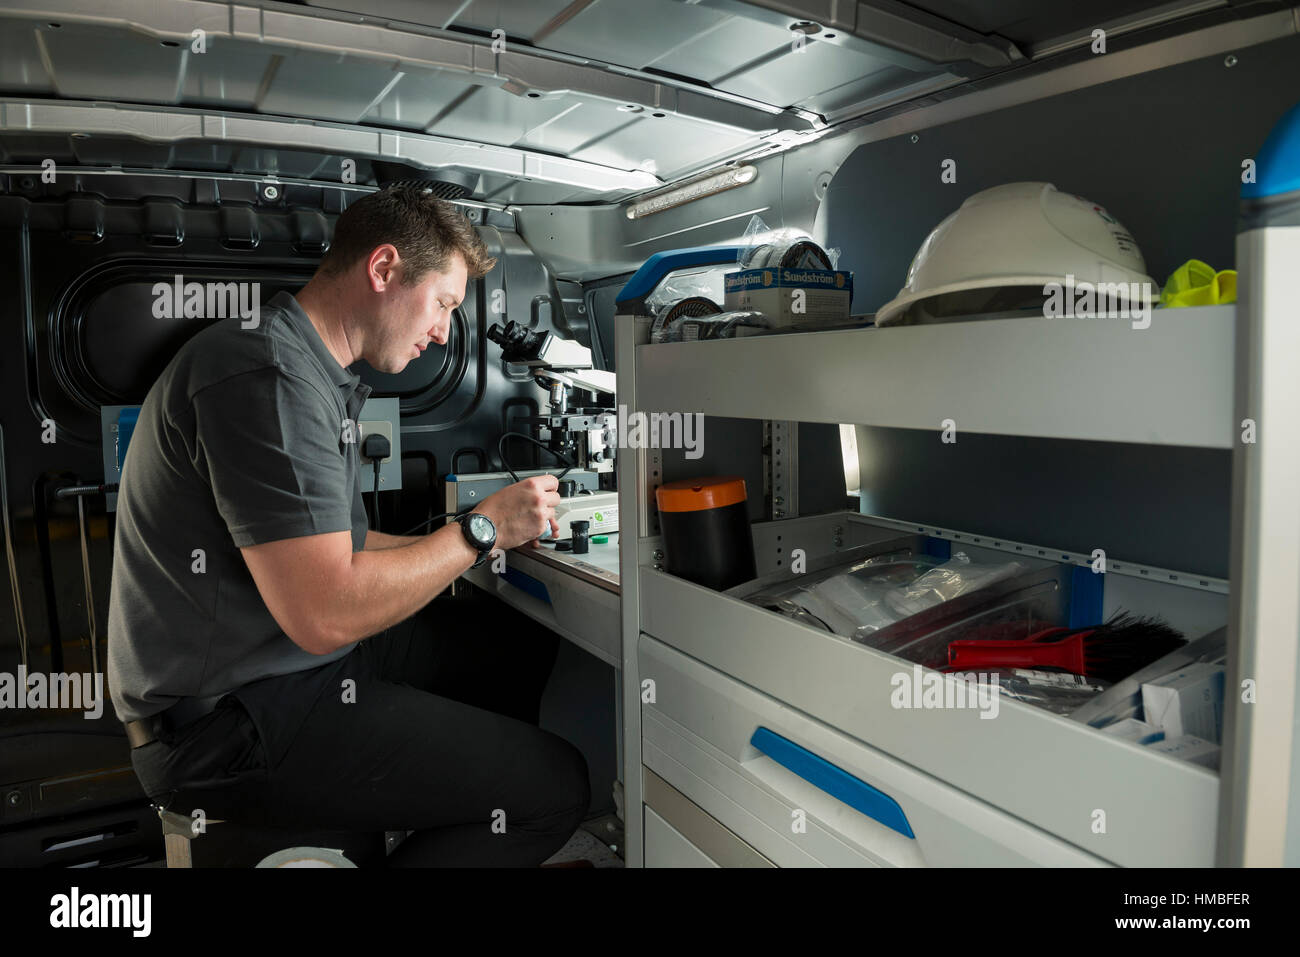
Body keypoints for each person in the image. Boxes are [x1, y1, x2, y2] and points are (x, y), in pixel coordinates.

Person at [106, 186, 590, 866]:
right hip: (227, 722)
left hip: (276, 669)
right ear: (385, 269)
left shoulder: (306, 369)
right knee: (556, 787)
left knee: (509, 649)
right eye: (445, 303)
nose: (446, 331)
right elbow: (326, 611)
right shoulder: (267, 376)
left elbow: (346, 548)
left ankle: (459, 810)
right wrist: (477, 534)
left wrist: (484, 534)